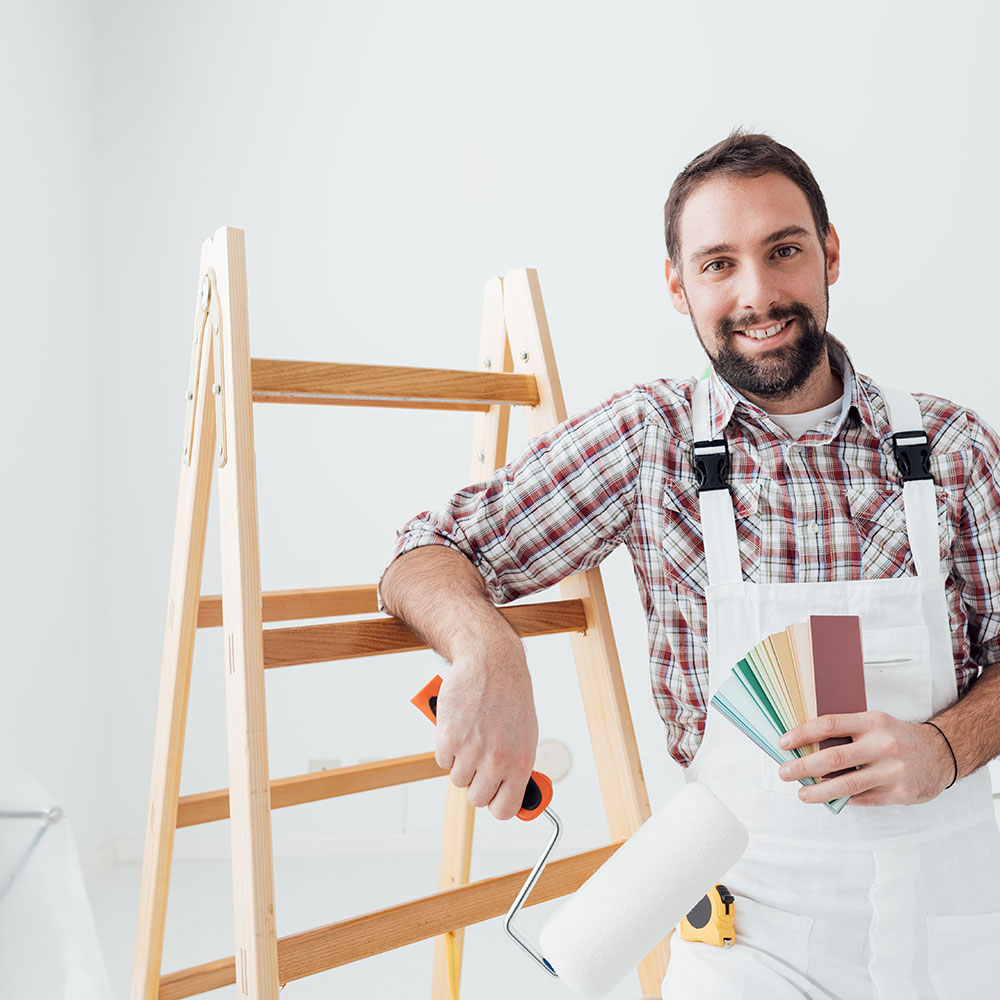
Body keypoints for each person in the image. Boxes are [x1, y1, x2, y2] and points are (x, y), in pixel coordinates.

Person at [378, 131, 1000, 997]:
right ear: (678, 284)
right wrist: (487, 645)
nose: (757, 294)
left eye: (783, 250)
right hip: (752, 937)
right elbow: (427, 551)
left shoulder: (952, 448)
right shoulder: (652, 443)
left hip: (963, 922)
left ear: (829, 252)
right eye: (717, 264)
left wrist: (944, 745)